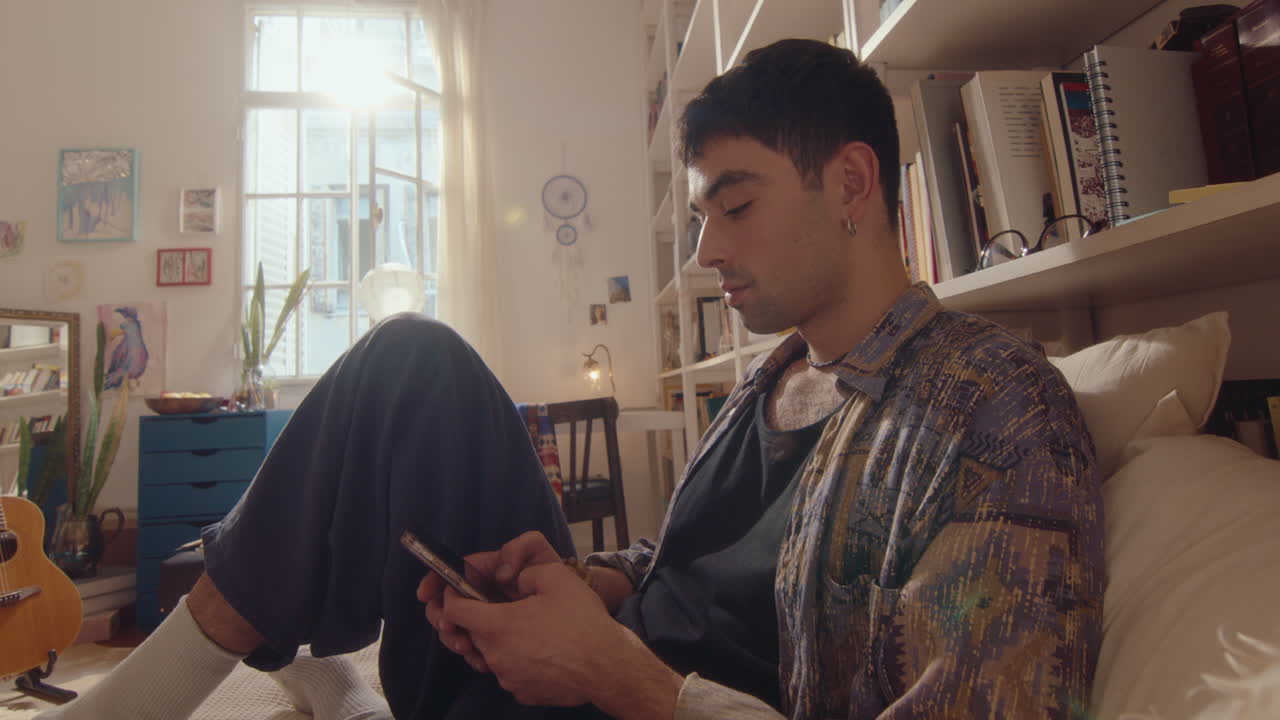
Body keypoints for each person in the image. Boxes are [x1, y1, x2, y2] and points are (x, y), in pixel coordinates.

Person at [38, 39, 1103, 720]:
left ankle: (283, 684)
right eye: (701, 216)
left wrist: (609, 672)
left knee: (409, 365)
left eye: (736, 206)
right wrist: (584, 583)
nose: (706, 250)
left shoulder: (990, 412)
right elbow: (690, 568)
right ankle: (320, 668)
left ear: (854, 184)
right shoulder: (771, 380)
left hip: (624, 701)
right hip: (582, 670)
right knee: (415, 367)